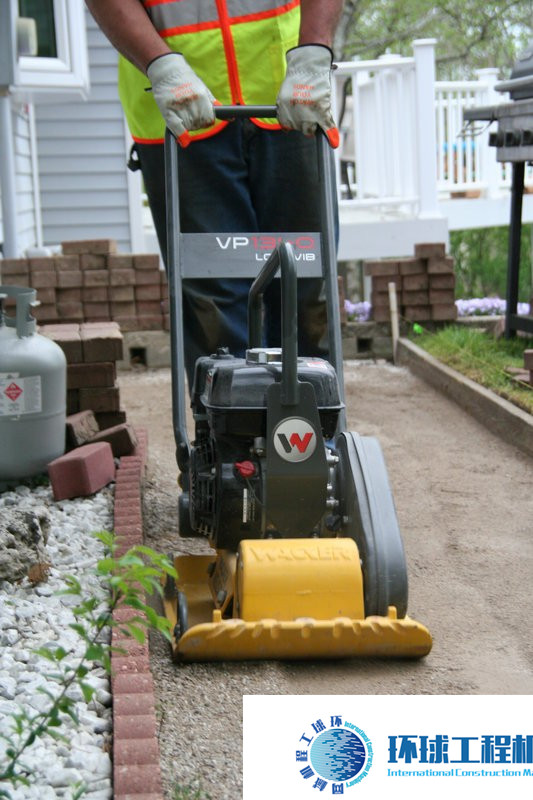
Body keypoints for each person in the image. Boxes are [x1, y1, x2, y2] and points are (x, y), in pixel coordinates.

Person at [85, 0, 343, 384]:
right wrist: (160, 64)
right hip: (182, 109)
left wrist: (313, 52)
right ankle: (230, 417)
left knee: (305, 280)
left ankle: (312, 412)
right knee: (212, 301)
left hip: (291, 98)